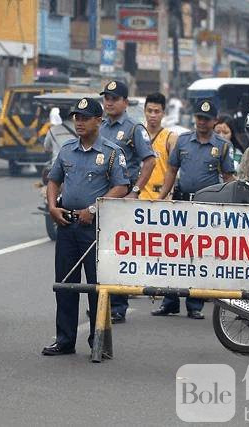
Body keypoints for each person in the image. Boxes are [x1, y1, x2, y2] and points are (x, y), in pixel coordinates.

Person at [41, 97, 129, 356]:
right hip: (67, 224)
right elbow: (53, 180)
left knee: (97, 288)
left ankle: (98, 342)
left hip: (95, 229)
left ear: (98, 121)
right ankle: (65, 340)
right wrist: (52, 207)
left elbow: (121, 187)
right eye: (76, 117)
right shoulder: (67, 150)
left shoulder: (111, 153)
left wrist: (93, 208)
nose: (79, 122)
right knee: (65, 285)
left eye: (84, 117)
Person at [152, 99, 235, 319]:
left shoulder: (222, 146)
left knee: (199, 255)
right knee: (174, 252)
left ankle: (194, 304)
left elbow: (228, 178)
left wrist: (230, 205)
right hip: (181, 203)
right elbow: (171, 170)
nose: (201, 122)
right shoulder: (183, 141)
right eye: (199, 117)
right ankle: (169, 301)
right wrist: (162, 198)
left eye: (206, 119)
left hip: (207, 208)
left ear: (214, 121)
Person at [99, 80, 156, 323]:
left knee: (117, 252)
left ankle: (118, 306)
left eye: (114, 98)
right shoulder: (98, 125)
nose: (109, 102)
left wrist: (135, 191)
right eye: (106, 98)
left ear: (125, 102)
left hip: (122, 199)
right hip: (102, 198)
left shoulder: (134, 128)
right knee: (100, 253)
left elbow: (150, 161)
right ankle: (102, 300)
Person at [138, 92, 178, 201]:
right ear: (144, 111)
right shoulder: (136, 134)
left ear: (163, 113)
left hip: (160, 198)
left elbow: (173, 170)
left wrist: (169, 195)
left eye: (157, 111)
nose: (152, 115)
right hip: (137, 197)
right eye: (149, 111)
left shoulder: (170, 138)